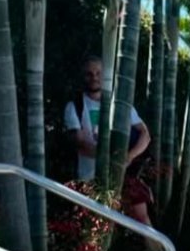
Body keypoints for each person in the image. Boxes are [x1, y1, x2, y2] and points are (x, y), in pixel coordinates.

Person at [63, 55, 156, 232]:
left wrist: (128, 157)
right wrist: (110, 159)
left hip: (123, 175)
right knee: (96, 230)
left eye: (98, 73)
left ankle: (157, 250)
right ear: (83, 76)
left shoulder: (120, 104)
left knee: (143, 221)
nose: (94, 77)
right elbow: (80, 143)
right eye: (89, 74)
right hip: (91, 180)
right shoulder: (74, 106)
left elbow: (145, 135)